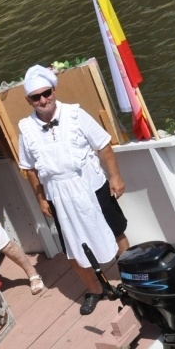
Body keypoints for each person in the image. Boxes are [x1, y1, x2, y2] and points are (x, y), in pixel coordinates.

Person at [17, 64, 130, 315]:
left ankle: (133, 277)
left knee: (116, 231)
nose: (43, 100)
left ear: (54, 90)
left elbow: (103, 145)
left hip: (91, 183)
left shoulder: (76, 114)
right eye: (36, 97)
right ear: (29, 100)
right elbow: (30, 169)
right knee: (72, 246)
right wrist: (40, 199)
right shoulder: (26, 129)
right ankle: (94, 289)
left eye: (46, 93)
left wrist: (115, 177)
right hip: (58, 194)